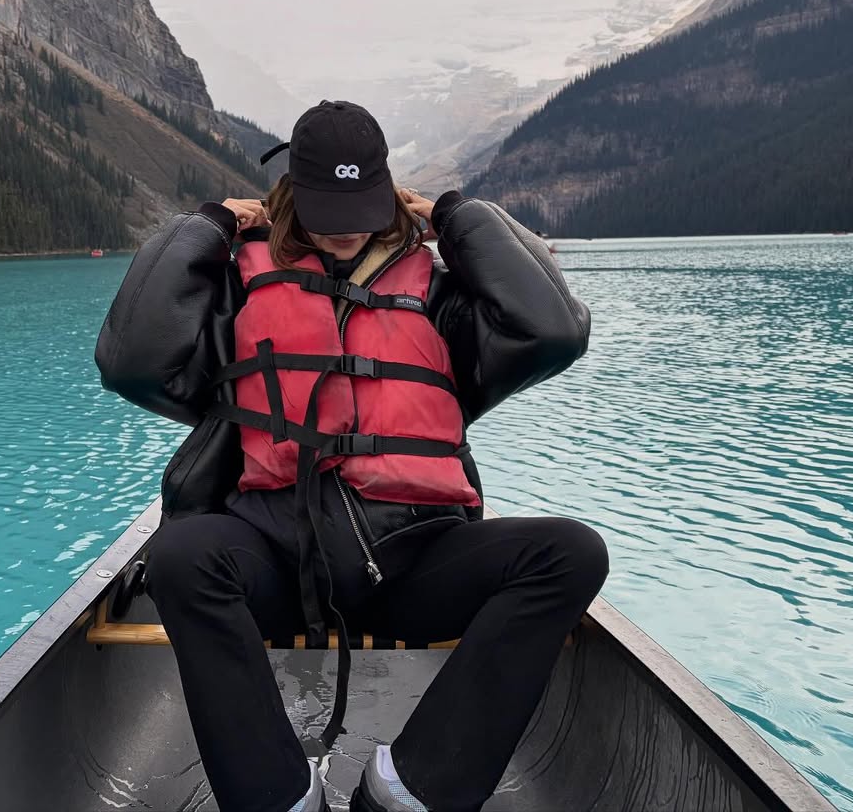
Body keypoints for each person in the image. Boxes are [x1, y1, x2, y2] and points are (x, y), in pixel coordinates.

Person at [95, 100, 608, 812]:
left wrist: (462, 218)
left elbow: (554, 332)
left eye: (359, 207)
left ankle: (406, 791)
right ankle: (279, 798)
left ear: (391, 195)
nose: (341, 229)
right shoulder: (240, 282)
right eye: (324, 210)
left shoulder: (441, 295)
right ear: (289, 198)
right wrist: (205, 227)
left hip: (417, 564)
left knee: (571, 553)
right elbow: (130, 361)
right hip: (273, 562)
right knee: (182, 555)